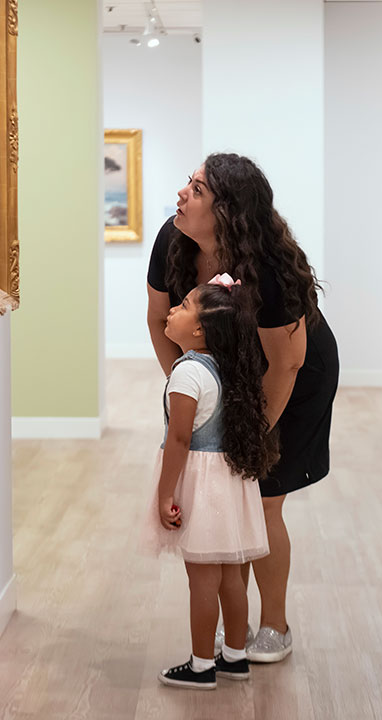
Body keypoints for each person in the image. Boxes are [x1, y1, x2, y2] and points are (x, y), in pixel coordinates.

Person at [147, 153, 339, 663]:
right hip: (219, 371)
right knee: (219, 502)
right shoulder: (173, 239)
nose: (183, 193)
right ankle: (228, 627)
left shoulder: (269, 265)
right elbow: (158, 319)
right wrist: (194, 397)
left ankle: (272, 625)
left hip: (292, 376)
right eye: (187, 181)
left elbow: (287, 362)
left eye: (199, 188)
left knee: (260, 494)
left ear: (228, 211)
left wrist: (246, 438)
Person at [149, 276, 279, 689]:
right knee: (230, 577)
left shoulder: (187, 373)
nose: (171, 310)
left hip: (203, 487)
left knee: (202, 578)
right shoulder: (229, 368)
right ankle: (235, 656)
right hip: (233, 482)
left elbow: (180, 438)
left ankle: (202, 664)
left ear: (201, 329)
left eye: (183, 305)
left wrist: (165, 490)